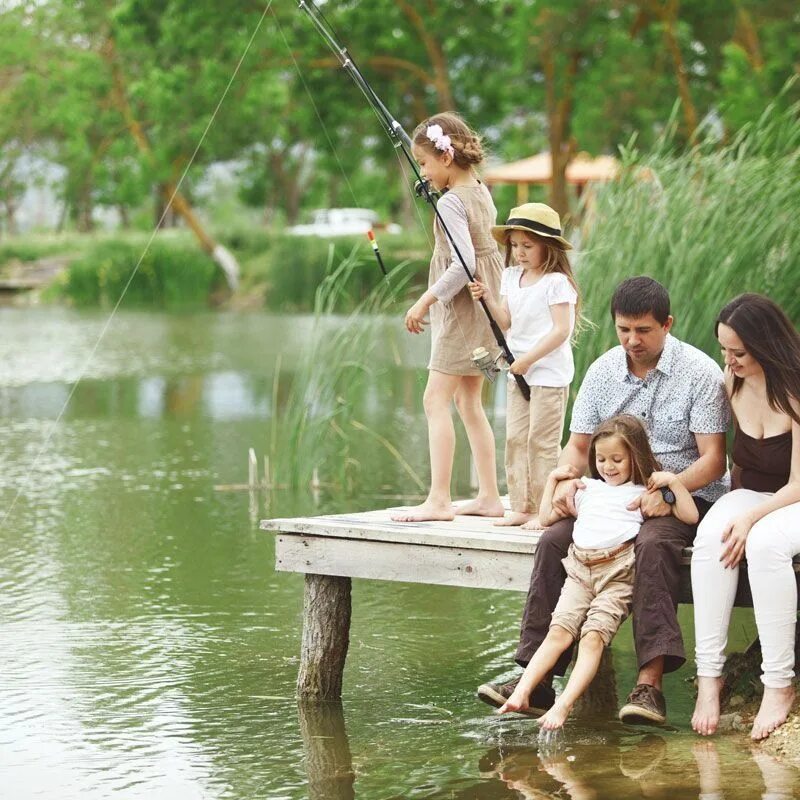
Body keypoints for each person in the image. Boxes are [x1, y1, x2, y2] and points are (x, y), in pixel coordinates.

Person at [477, 277, 730, 724]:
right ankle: (535, 680)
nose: (632, 340)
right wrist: (568, 482)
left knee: (653, 545)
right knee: (554, 540)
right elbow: (577, 447)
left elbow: (712, 460)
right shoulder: (602, 371)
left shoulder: (700, 372)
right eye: (624, 329)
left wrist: (667, 490)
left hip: (684, 492)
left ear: (667, 325)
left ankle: (649, 686)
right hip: (611, 491)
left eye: (644, 331)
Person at [496, 415, 698, 729]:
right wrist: (552, 481)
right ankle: (522, 693)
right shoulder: (587, 488)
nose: (608, 466)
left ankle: (562, 707)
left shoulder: (643, 493)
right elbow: (548, 517)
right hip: (579, 571)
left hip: (617, 574)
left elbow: (689, 514)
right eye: (601, 459)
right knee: (558, 632)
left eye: (617, 459)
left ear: (635, 457)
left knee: (592, 639)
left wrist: (672, 483)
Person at [691, 294, 800, 740]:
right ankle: (708, 678)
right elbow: (732, 464)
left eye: (738, 352)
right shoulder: (731, 381)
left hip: (793, 496)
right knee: (711, 536)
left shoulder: (795, 387)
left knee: (765, 545)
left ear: (766, 344)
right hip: (755, 492)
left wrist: (752, 517)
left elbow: (798, 484)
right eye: (723, 350)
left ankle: (778, 684)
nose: (729, 361)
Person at [391, 112, 504, 523]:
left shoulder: (453, 201)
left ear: (446, 157)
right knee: (468, 400)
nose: (422, 171)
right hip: (485, 309)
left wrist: (425, 301)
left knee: (434, 398)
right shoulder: (479, 190)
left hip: (461, 312)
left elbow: (463, 264)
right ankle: (489, 496)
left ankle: (439, 499)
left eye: (424, 163)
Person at [468, 203, 579, 530]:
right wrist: (486, 297)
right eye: (515, 245)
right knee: (516, 438)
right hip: (519, 373)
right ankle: (522, 505)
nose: (519, 252)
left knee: (541, 442)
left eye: (528, 246)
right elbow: (505, 322)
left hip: (548, 375)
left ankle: (547, 508)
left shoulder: (557, 282)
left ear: (548, 246)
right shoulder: (511, 276)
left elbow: (562, 330)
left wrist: (528, 359)